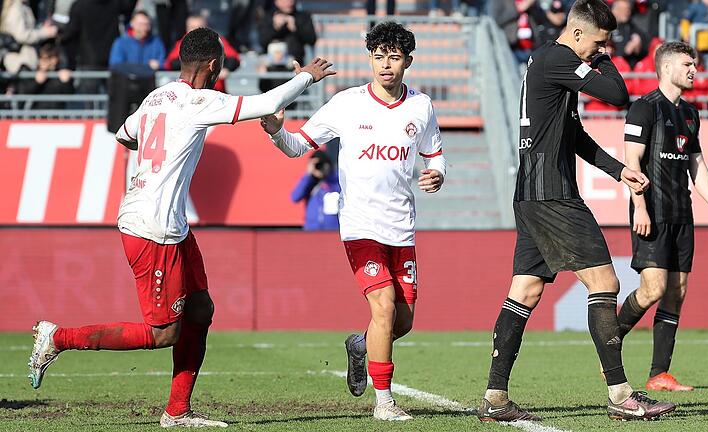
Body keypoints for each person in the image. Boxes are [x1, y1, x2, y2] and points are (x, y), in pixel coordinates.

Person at [27, 27, 334, 428]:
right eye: (222, 61)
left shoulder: (158, 95)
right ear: (213, 64)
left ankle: (178, 411)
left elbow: (125, 134)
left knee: (201, 308)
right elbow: (268, 102)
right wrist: (308, 74)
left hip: (168, 223)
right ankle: (57, 338)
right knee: (163, 333)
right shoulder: (199, 101)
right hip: (152, 228)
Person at [475, 0, 676, 422]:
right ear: (580, 34)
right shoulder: (560, 58)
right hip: (553, 195)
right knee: (604, 281)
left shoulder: (549, 61)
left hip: (532, 193)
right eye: (599, 43)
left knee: (525, 291)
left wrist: (619, 171)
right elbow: (618, 95)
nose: (600, 50)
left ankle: (495, 397)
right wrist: (607, 59)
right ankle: (621, 397)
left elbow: (575, 135)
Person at [260, 21, 446, 421]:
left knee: (403, 320)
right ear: (370, 59)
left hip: (402, 227)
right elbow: (297, 147)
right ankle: (385, 404)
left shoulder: (422, 106)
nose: (385, 65)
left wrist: (437, 173)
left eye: (393, 58)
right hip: (360, 227)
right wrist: (277, 130)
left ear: (407, 62)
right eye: (378, 57)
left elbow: (433, 154)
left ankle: (361, 344)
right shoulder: (346, 104)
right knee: (383, 308)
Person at [618, 40, 708, 392]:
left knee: (677, 291)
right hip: (653, 212)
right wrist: (640, 206)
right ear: (666, 69)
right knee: (653, 289)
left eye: (694, 64)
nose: (694, 70)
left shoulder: (691, 114)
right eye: (687, 64)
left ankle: (659, 374)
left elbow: (697, 163)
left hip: (683, 215)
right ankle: (610, 341)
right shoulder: (644, 109)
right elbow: (632, 162)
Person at [164, 13, 240, 93]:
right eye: (192, 27)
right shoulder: (183, 43)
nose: (195, 31)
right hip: (190, 92)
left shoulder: (215, 41)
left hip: (216, 91)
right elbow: (170, 63)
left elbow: (234, 58)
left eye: (199, 27)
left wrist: (224, 68)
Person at [291, 149, 341, 231]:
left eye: (321, 164)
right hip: (312, 231)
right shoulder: (309, 183)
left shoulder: (337, 181)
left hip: (334, 231)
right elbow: (295, 197)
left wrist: (328, 176)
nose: (319, 167)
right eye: (316, 165)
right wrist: (308, 175)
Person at [15, 42, 74, 110]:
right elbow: (24, 93)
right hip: (37, 115)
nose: (43, 62)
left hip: (57, 116)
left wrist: (66, 82)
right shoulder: (33, 73)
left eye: (50, 58)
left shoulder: (60, 75)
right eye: (43, 59)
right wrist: (36, 82)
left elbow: (70, 94)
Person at [257, 0, 316, 66]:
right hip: (271, 65)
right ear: (276, 2)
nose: (289, 2)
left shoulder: (303, 17)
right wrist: (275, 28)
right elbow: (262, 41)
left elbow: (311, 39)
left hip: (296, 64)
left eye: (291, 0)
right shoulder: (267, 17)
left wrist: (295, 28)